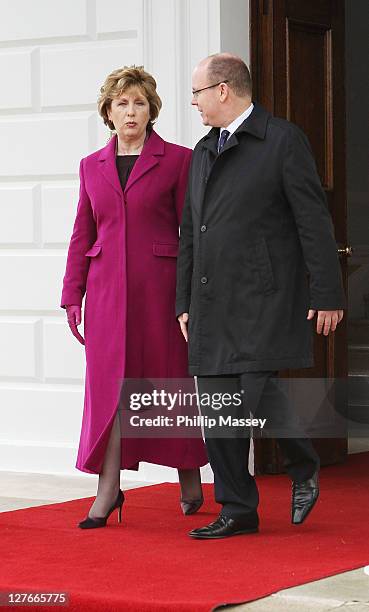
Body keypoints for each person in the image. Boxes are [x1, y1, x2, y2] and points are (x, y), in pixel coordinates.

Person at [176, 53, 345, 539]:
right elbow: (191, 231)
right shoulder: (204, 149)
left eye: (198, 93)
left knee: (253, 388)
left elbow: (313, 220)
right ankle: (238, 509)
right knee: (217, 408)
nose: (194, 102)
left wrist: (328, 290)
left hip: (262, 294)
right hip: (209, 299)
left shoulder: (282, 140)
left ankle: (301, 463)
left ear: (224, 90)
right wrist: (182, 301)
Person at [60, 65, 208, 529]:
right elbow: (82, 233)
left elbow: (195, 234)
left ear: (151, 111)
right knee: (112, 391)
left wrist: (194, 295)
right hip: (105, 296)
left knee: (168, 383)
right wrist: (72, 294)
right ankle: (108, 488)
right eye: (122, 103)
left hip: (162, 292)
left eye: (139, 103)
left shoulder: (180, 160)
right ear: (108, 111)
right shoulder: (90, 166)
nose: (130, 111)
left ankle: (188, 474)